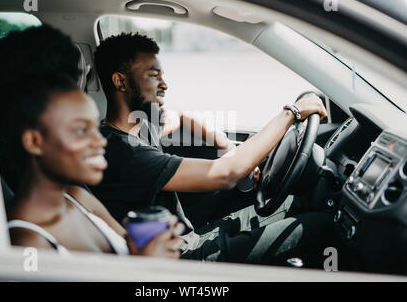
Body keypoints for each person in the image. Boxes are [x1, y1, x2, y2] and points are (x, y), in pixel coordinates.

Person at [91, 32, 337, 266]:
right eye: (154, 75)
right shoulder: (123, 153)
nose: (164, 85)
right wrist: (290, 114)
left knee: (300, 202)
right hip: (181, 259)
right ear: (120, 81)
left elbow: (179, 115)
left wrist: (224, 143)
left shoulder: (140, 126)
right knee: (322, 225)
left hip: (191, 238)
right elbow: (227, 172)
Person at [0, 25, 184, 258]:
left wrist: (152, 249)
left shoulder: (77, 198)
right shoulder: (27, 244)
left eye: (94, 126)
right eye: (81, 130)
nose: (99, 141)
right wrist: (152, 267)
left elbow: (133, 260)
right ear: (34, 141)